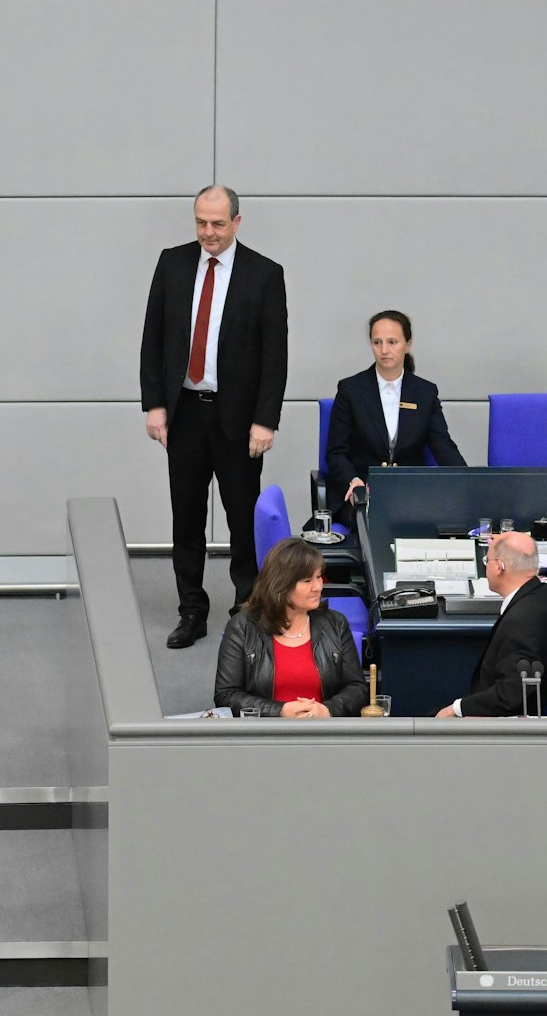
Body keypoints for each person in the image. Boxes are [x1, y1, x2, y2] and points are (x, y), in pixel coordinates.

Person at [139, 185, 289, 650]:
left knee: (241, 519)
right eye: (201, 222)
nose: (208, 232)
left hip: (239, 420)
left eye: (218, 224)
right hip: (184, 413)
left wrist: (266, 420)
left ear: (237, 222)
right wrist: (155, 405)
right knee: (185, 516)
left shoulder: (264, 274)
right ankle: (191, 608)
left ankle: (247, 608)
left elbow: (275, 354)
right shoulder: (172, 263)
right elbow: (153, 339)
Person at [324, 309, 466, 526]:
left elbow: (444, 448)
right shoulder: (351, 390)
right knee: (374, 522)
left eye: (392, 342)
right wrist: (353, 481)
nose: (384, 350)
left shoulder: (425, 393)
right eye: (377, 342)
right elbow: (336, 453)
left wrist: (470, 483)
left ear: (408, 344)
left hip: (410, 496)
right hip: (360, 496)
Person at [214, 537, 368, 717]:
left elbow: (358, 688)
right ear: (281, 586)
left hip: (321, 733)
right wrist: (280, 711)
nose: (318, 587)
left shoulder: (335, 623)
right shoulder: (242, 627)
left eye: (318, 577)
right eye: (307, 580)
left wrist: (327, 710)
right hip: (265, 735)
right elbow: (225, 695)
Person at [436, 532, 547, 717]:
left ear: (499, 567)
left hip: (504, 725)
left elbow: (511, 695)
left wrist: (456, 709)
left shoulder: (520, 621)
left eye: (486, 560)